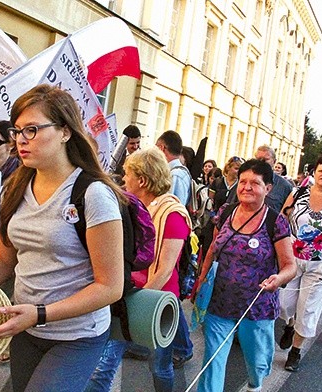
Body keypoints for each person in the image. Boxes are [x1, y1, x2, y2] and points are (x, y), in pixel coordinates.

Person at [0, 85, 124, 392]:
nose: (20, 139)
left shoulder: (93, 194)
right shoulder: (14, 187)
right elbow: (4, 259)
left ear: (65, 132)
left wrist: (40, 314)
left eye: (32, 129)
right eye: (17, 130)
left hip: (78, 336)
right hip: (27, 331)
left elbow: (110, 287)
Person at [86, 147, 192, 392]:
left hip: (155, 301)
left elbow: (165, 270)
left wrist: (135, 303)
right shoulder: (128, 208)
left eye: (127, 174)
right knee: (103, 367)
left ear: (142, 180)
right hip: (125, 295)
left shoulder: (173, 214)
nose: (123, 180)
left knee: (160, 367)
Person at [196, 159, 296, 392]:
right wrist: (201, 280)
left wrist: (278, 280)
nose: (247, 187)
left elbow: (290, 266)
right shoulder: (225, 212)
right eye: (243, 182)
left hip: (257, 307)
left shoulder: (276, 222)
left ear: (268, 189)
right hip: (220, 303)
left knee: (257, 363)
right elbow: (212, 248)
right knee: (212, 362)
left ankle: (254, 385)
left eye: (255, 183)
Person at [278, 155, 322, 371]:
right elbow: (282, 219)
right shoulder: (297, 193)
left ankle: (295, 352)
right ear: (314, 172)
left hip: (320, 265)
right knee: (283, 303)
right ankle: (290, 325)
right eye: (321, 170)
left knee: (308, 309)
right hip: (292, 260)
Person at [155, 130, 193, 367]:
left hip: (171, 236)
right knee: (167, 291)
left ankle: (182, 345)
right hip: (169, 235)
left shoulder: (176, 175)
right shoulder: (177, 172)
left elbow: (173, 208)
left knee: (168, 289)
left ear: (162, 147)